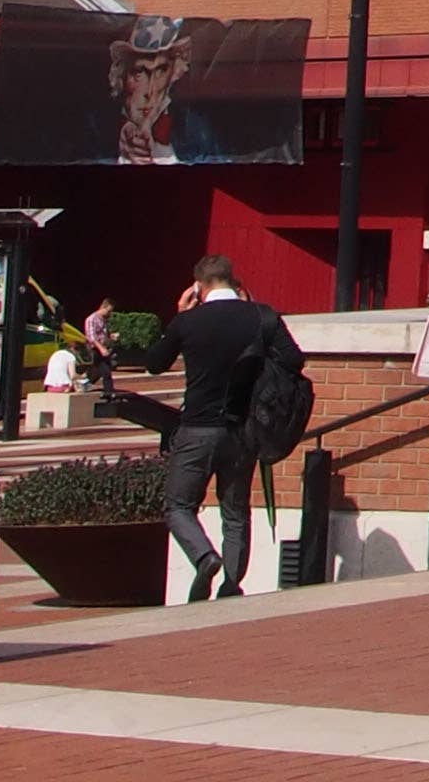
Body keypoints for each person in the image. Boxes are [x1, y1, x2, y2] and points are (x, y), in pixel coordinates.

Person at [153, 254, 304, 602]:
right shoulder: (262, 316)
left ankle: (204, 557)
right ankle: (231, 584)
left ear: (199, 286)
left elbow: (154, 363)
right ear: (235, 283)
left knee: (178, 505)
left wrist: (181, 314)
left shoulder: (188, 322)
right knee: (235, 510)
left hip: (198, 428)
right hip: (243, 430)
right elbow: (294, 360)